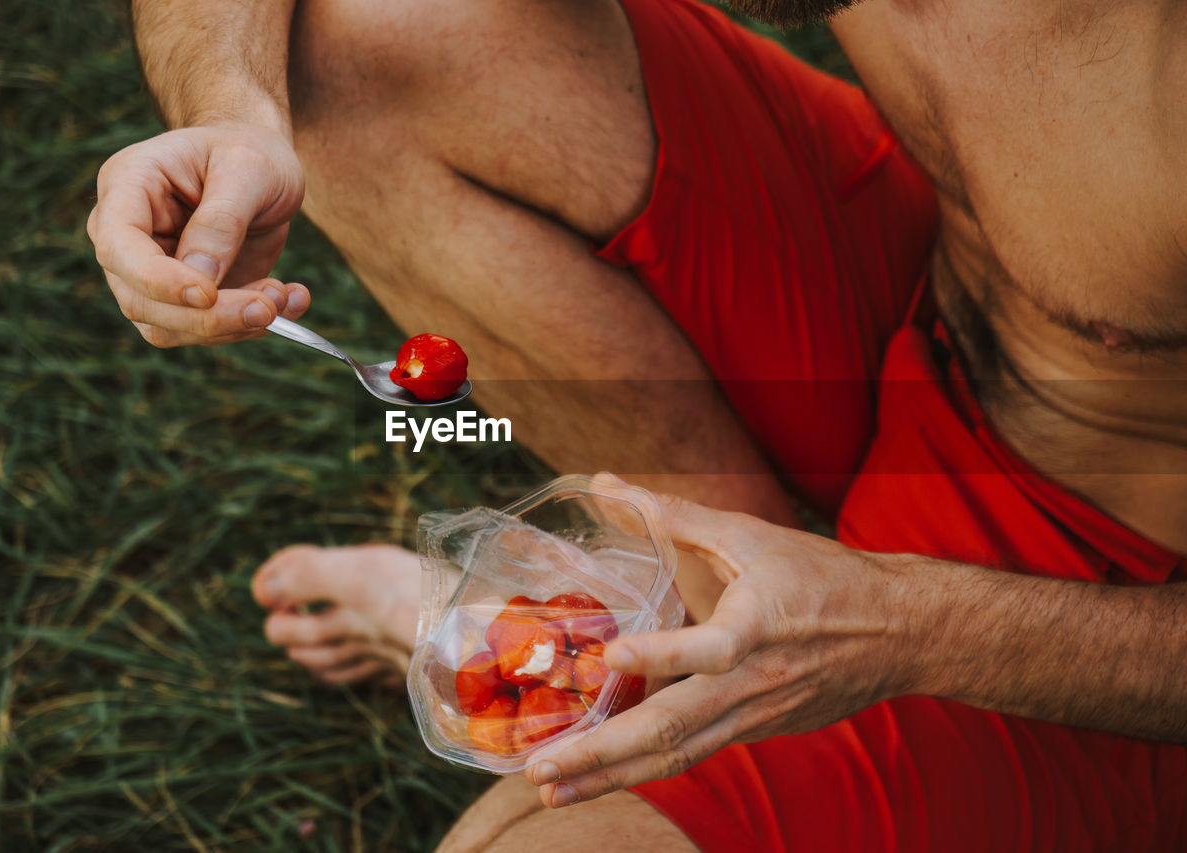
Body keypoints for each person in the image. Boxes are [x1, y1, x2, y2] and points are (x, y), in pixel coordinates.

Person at [87, 0, 1187, 848]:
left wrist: (900, 624)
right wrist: (231, 110)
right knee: (367, 28)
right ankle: (652, 622)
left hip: (1098, 575)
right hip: (928, 270)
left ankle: (597, 648)